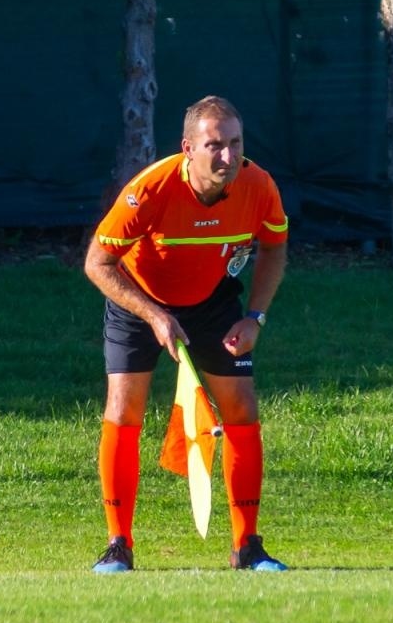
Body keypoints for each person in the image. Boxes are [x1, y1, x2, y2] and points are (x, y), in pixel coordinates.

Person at [83, 95, 291, 573]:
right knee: (124, 408)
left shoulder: (258, 186)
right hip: (138, 299)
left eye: (235, 143)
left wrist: (254, 318)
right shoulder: (150, 190)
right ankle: (118, 545)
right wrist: (154, 315)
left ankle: (248, 548)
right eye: (214, 145)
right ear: (188, 149)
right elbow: (98, 263)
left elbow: (275, 249)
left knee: (241, 406)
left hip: (213, 301)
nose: (227, 156)